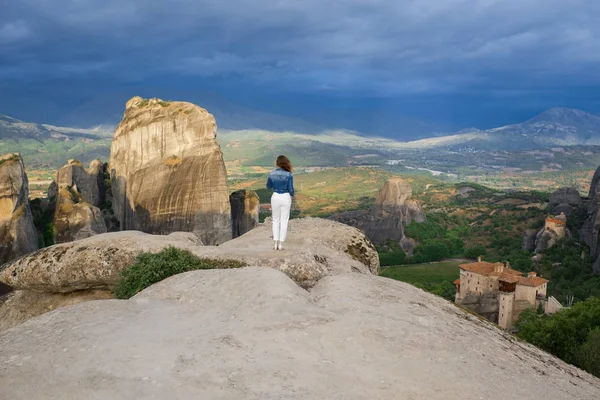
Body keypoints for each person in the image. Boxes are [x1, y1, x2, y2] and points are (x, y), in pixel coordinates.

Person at [266, 155, 295, 250]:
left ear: (277, 163)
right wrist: (291, 195)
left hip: (275, 197)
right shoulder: (289, 175)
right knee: (284, 221)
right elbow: (291, 189)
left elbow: (268, 186)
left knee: (275, 220)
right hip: (285, 197)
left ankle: (275, 243)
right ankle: (281, 244)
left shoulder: (271, 174)